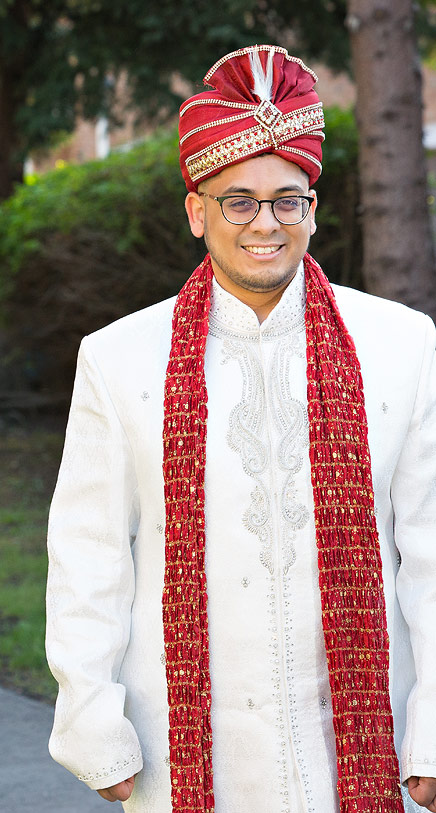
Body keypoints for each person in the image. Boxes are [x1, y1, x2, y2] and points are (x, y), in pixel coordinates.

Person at [44, 45, 436, 812]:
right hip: (186, 758)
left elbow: (431, 552)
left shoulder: (404, 344)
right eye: (238, 200)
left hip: (363, 755)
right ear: (197, 211)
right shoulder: (119, 358)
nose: (266, 223)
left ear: (313, 210)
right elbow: (88, 556)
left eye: (288, 199)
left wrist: (434, 733)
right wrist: (93, 726)